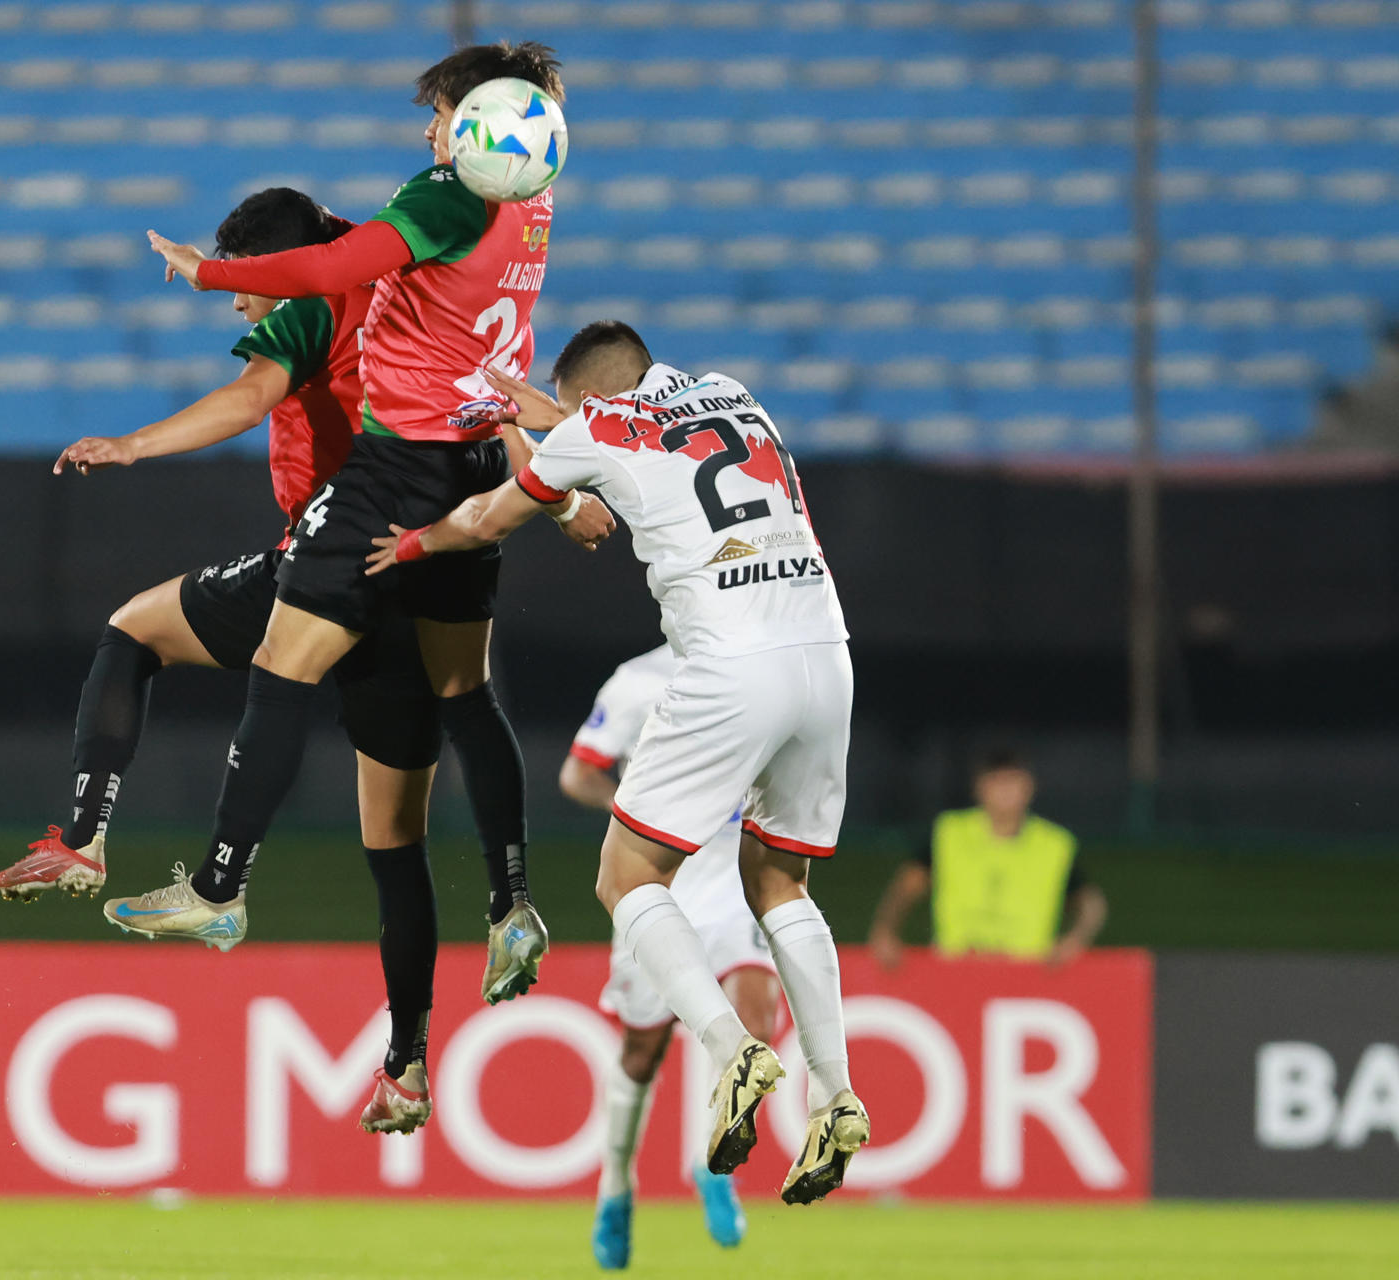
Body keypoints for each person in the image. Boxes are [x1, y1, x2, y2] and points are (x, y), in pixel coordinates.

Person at [114, 42, 614, 1015]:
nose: (429, 131)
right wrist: (546, 489)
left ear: (473, 125)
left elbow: (338, 263)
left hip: (397, 466)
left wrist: (211, 269)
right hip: (472, 459)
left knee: (280, 659)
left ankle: (219, 887)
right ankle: (513, 903)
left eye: (439, 115)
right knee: (467, 689)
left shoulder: (451, 198)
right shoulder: (530, 203)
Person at [0, 188, 461, 1133]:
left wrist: (133, 445)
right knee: (396, 846)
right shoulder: (407, 292)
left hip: (324, 562)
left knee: (133, 629)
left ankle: (89, 845)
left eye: (245, 285)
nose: (239, 304)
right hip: (417, 575)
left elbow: (248, 398)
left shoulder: (313, 306)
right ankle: (406, 1064)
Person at [365, 320, 869, 1204]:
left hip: (730, 659)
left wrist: (412, 544)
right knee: (781, 884)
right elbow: (643, 435)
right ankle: (836, 1092)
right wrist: (559, 414)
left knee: (627, 875)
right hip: (826, 653)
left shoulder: (592, 431)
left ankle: (729, 1050)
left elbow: (492, 513)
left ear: (587, 401)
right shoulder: (734, 394)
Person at [562, 644, 780, 1267]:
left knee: (754, 1031)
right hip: (655, 885)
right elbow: (579, 772)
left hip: (734, 884)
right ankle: (616, 1187)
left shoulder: (760, 671)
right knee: (642, 1051)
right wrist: (639, 823)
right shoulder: (637, 682)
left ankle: (712, 1162)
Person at [868, 748, 1108, 969]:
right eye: (996, 782)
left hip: (1026, 971)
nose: (1005, 791)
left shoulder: (1054, 844)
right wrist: (885, 930)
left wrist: (1073, 941)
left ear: (1030, 787)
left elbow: (1091, 903)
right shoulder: (949, 832)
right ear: (979, 787)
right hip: (957, 967)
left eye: (1013, 781)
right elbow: (908, 885)